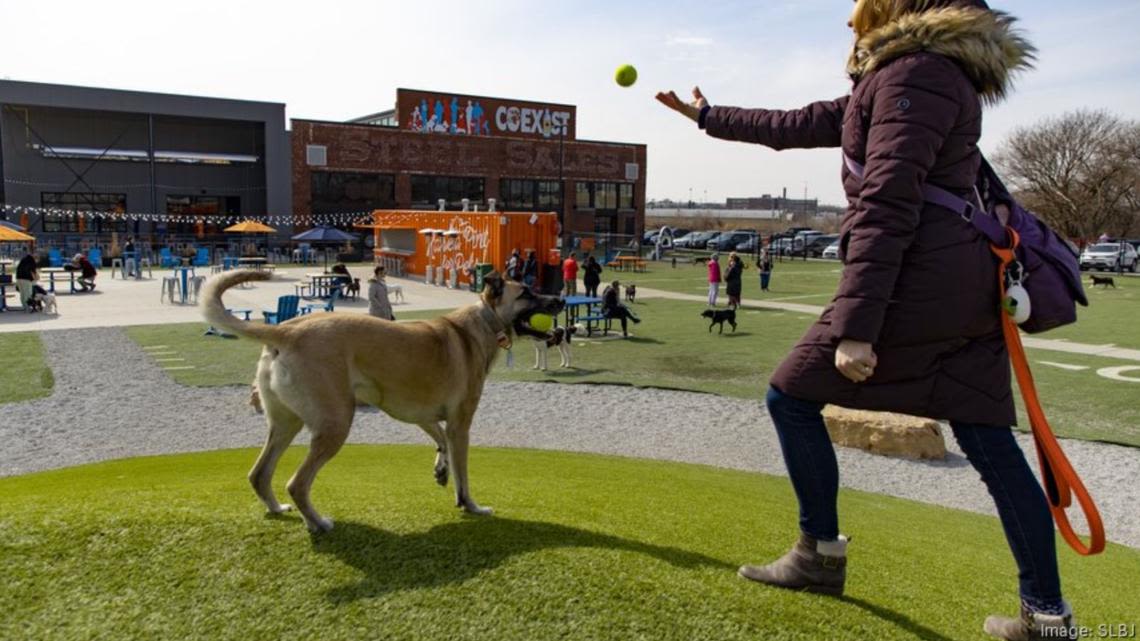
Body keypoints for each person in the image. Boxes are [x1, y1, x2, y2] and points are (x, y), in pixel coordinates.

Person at [657, 1, 1064, 638]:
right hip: (956, 287)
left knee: (789, 395)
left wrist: (857, 326)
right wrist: (708, 117)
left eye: (859, 5)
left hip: (918, 286)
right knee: (989, 445)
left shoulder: (915, 75)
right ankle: (1047, 617)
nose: (849, 19)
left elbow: (888, 200)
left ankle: (818, 556)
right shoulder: (911, 72)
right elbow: (796, 123)